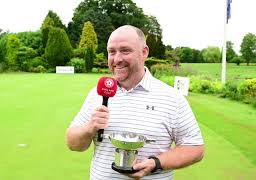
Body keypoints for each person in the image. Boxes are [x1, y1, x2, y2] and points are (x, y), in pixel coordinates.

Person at [66, 25, 204, 180]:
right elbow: (73, 143)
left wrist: (156, 163)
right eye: (112, 52)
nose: (117, 59)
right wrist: (90, 127)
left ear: (144, 52)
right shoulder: (97, 94)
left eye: (125, 50)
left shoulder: (172, 98)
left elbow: (195, 148)